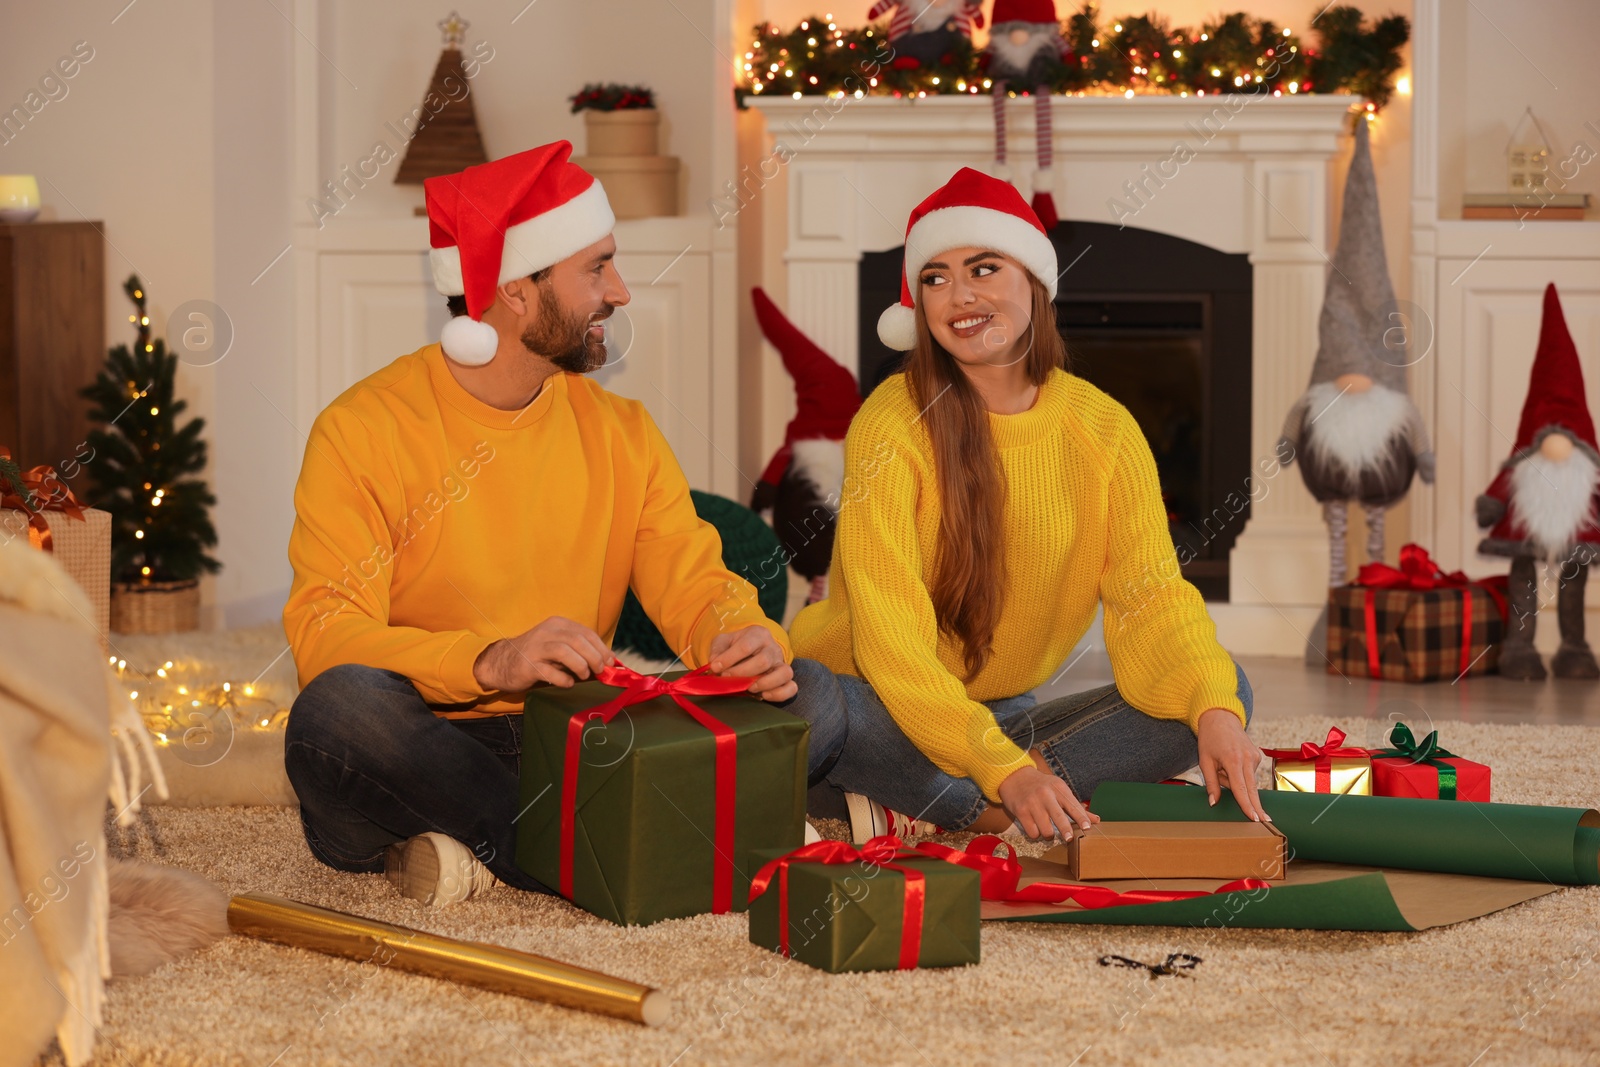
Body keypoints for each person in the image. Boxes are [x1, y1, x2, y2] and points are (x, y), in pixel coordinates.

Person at [280, 142, 840, 905]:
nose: (622, 291)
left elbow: (695, 579)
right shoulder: (360, 429)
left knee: (807, 688)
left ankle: (501, 846)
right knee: (336, 714)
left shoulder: (624, 430)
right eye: (596, 268)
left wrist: (738, 638)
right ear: (516, 289)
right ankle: (621, 840)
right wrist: (492, 661)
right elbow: (325, 636)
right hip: (430, 732)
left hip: (580, 735)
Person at [789, 166, 1267, 844]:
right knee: (812, 697)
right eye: (935, 277)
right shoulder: (890, 423)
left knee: (1222, 692)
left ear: (1035, 283)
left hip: (1003, 714)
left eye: (983, 268)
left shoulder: (1105, 429)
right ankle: (997, 805)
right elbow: (890, 643)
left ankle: (922, 797)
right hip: (876, 696)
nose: (959, 296)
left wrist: (1213, 710)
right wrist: (1000, 768)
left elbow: (1151, 600)